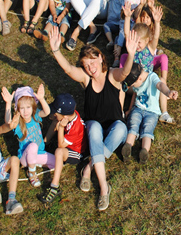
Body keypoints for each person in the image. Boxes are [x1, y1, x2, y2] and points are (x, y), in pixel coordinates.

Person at [48, 25, 140, 211]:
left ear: (100, 57)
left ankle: (89, 167)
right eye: (86, 65)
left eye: (92, 62)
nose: (91, 68)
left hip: (115, 126)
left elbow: (124, 73)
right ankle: (104, 188)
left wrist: (130, 55)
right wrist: (56, 50)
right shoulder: (86, 79)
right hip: (94, 126)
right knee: (96, 128)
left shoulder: (112, 76)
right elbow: (68, 69)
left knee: (122, 128)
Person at [121, 65, 179, 164]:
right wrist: (130, 109)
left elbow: (160, 85)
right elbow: (134, 95)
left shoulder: (152, 77)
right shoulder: (136, 80)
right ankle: (128, 146)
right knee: (133, 124)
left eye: (134, 85)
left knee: (148, 129)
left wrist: (168, 92)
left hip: (152, 112)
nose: (133, 87)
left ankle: (144, 151)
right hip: (137, 108)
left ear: (139, 78)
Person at [37, 93, 85, 206]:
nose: (53, 113)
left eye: (56, 112)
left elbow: (61, 145)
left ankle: (54, 187)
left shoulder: (75, 128)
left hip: (77, 152)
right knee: (56, 122)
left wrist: (61, 128)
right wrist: (56, 120)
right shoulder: (68, 116)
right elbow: (55, 118)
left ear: (65, 117)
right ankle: (45, 143)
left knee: (58, 152)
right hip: (67, 142)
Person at [4, 86, 53, 188]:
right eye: (22, 108)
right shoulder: (18, 123)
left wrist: (41, 99)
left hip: (39, 152)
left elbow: (47, 112)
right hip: (24, 157)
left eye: (28, 107)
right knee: (33, 146)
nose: (25, 112)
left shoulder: (35, 116)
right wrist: (8, 103)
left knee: (56, 163)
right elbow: (8, 122)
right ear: (17, 109)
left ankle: (35, 163)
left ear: (33, 107)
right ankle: (32, 173)